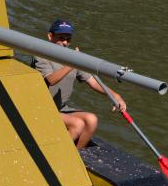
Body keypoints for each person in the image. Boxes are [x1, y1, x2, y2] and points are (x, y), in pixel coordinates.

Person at [33, 19, 126, 149]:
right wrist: (72, 63)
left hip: (60, 109)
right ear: (50, 36)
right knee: (77, 124)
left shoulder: (72, 58)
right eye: (61, 38)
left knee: (91, 120)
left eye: (68, 39)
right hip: (39, 109)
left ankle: (76, 153)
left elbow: (92, 81)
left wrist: (115, 96)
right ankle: (58, 155)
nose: (65, 43)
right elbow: (51, 80)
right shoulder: (40, 56)